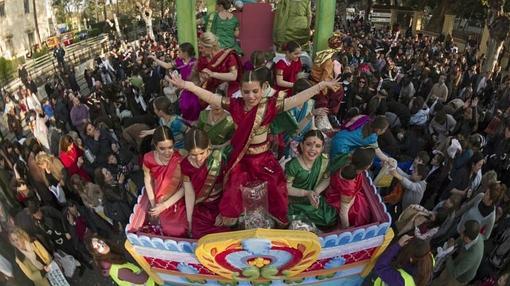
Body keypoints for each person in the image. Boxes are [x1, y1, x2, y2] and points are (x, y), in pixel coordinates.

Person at [168, 67, 340, 227]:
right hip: (241, 160)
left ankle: (279, 226)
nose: (251, 96)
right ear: (240, 91)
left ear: (263, 88)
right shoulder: (235, 106)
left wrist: (320, 86)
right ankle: (234, 227)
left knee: (277, 191)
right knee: (233, 191)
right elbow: (211, 97)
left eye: (255, 91)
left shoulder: (269, 106)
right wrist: (187, 85)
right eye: (246, 92)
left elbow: (295, 100)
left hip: (264, 159)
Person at [181, 129, 229, 238]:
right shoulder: (185, 165)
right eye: (193, 155)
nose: (198, 158)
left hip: (222, 204)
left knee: (225, 234)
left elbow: (228, 187)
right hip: (202, 207)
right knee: (197, 234)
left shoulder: (218, 159)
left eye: (202, 153)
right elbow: (189, 193)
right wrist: (189, 221)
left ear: (208, 147)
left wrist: (224, 212)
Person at [285, 130, 337, 228]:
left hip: (313, 197)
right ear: (301, 145)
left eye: (317, 146)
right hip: (295, 201)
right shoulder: (293, 165)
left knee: (330, 218)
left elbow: (327, 178)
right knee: (292, 222)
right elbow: (286, 188)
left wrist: (316, 192)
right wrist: (307, 193)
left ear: (322, 148)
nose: (313, 149)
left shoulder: (323, 161)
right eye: (308, 144)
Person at [142, 126, 187, 237]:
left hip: (179, 198)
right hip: (160, 198)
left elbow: (185, 187)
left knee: (182, 228)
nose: (167, 152)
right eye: (162, 148)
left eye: (170, 147)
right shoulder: (148, 158)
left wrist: (165, 205)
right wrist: (154, 205)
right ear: (155, 146)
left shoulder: (181, 157)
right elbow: (147, 180)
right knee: (168, 229)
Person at [326, 148, 375, 228]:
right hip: (339, 201)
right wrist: (346, 228)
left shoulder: (346, 161)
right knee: (361, 214)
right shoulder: (348, 186)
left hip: (336, 192)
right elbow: (343, 212)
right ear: (367, 166)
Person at [149, 43, 200, 122]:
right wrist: (155, 59)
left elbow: (199, 79)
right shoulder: (179, 61)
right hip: (184, 91)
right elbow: (167, 65)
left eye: (179, 52)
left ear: (185, 53)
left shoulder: (196, 63)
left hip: (194, 91)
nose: (177, 53)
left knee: (194, 114)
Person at [431, 220, 484, 286]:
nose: (460, 233)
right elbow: (461, 239)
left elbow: (454, 273)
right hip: (457, 263)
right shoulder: (474, 234)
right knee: (440, 279)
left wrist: (449, 251)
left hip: (459, 278)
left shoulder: (472, 256)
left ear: (467, 239)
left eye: (462, 233)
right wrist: (454, 243)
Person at [366, 234, 433, 286]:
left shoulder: (401, 280)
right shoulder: (428, 259)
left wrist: (398, 245)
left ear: (411, 259)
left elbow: (380, 267)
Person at [86, 235, 154, 286]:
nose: (102, 245)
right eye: (97, 247)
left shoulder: (110, 257)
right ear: (97, 253)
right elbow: (141, 279)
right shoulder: (119, 270)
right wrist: (148, 267)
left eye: (99, 241)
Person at [196, 32, 242, 97]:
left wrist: (212, 74)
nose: (200, 50)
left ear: (210, 47)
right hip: (210, 90)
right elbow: (201, 78)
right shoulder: (202, 60)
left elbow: (233, 76)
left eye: (201, 48)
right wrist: (204, 78)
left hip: (229, 90)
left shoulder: (228, 56)